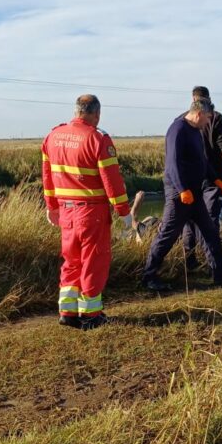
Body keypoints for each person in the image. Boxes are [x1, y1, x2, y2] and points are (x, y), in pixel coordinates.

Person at [42, 94, 133, 330]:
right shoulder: (98, 139)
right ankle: (91, 314)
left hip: (66, 211)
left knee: (71, 260)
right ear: (96, 114)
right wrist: (124, 211)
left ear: (76, 112)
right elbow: (112, 180)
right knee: (94, 260)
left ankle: (67, 311)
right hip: (91, 212)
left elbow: (47, 176)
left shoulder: (53, 136)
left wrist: (51, 206)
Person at [143, 98, 222, 292]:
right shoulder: (177, 130)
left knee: (209, 231)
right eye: (207, 118)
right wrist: (181, 189)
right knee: (168, 235)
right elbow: (172, 164)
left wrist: (216, 180)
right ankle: (149, 276)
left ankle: (219, 273)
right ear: (198, 114)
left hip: (195, 192)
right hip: (179, 195)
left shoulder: (196, 131)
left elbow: (202, 161)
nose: (208, 122)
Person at [182, 86, 222, 270]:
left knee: (190, 221)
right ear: (208, 98)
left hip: (190, 178)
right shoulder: (216, 118)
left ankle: (190, 261)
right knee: (210, 220)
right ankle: (214, 264)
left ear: (193, 99)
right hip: (213, 178)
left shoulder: (182, 119)